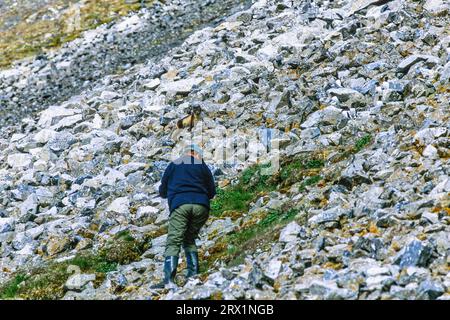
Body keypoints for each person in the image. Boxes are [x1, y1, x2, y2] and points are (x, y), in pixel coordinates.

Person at [151, 144, 216, 289]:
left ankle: (168, 280)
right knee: (189, 238)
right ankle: (193, 274)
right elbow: (212, 191)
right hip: (201, 207)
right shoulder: (203, 166)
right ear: (197, 154)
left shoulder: (174, 164)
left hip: (180, 205)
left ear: (185, 154)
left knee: (174, 240)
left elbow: (163, 190)